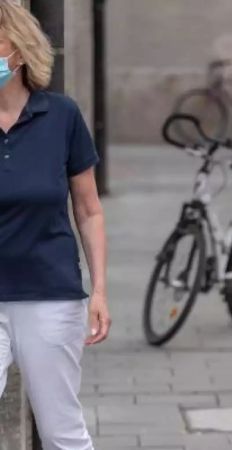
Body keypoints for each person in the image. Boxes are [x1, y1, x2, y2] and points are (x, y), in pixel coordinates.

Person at [0, 2, 110, 449]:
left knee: (61, 430)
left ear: (19, 52)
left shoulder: (61, 116)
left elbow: (88, 210)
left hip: (48, 294)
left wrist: (99, 290)